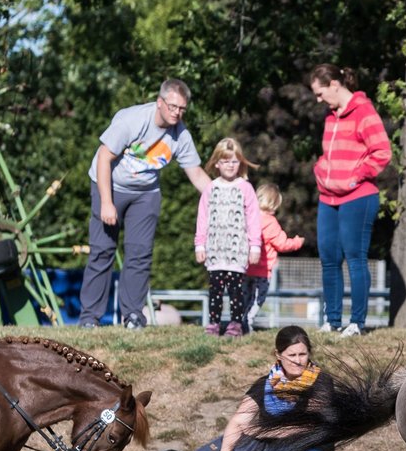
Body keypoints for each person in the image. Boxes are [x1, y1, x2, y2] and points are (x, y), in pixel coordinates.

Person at [80, 79, 211, 329]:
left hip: (146, 193)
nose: (176, 113)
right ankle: (89, 318)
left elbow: (196, 175)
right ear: (159, 103)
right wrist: (107, 203)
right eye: (172, 106)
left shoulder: (181, 135)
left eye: (182, 108)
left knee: (139, 254)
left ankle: (132, 317)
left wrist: (226, 197)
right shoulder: (133, 120)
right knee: (103, 251)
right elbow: (104, 158)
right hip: (109, 185)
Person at [309, 64, 391, 338]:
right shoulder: (331, 116)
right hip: (328, 196)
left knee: (355, 258)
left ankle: (357, 323)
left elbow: (382, 151)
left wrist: (356, 176)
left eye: (320, 93)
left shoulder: (364, 112)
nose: (318, 99)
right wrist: (321, 169)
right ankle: (331, 320)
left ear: (334, 84)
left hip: (358, 196)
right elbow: (328, 155)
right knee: (329, 259)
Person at [195, 138, 261, 337]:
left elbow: (253, 219)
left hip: (237, 250)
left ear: (240, 162)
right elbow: (203, 217)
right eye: (225, 161)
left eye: (234, 161)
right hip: (215, 250)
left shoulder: (245, 188)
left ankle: (235, 324)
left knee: (235, 290)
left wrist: (255, 246)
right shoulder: (210, 188)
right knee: (215, 289)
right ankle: (214, 323)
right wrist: (200, 245)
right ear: (217, 163)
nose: (230, 166)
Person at [243, 183, 306, 332]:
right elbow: (282, 244)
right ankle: (248, 321)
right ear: (275, 204)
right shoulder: (271, 223)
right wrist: (297, 242)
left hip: (245, 268)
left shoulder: (247, 217)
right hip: (263, 272)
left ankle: (240, 320)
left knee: (244, 297)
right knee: (258, 299)